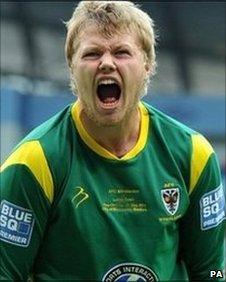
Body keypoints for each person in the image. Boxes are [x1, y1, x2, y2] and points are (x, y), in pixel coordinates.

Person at [0, 1, 225, 281]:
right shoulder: (34, 163)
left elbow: (214, 271)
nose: (106, 63)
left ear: (148, 65)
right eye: (92, 53)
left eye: (121, 52)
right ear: (72, 68)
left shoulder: (193, 155)